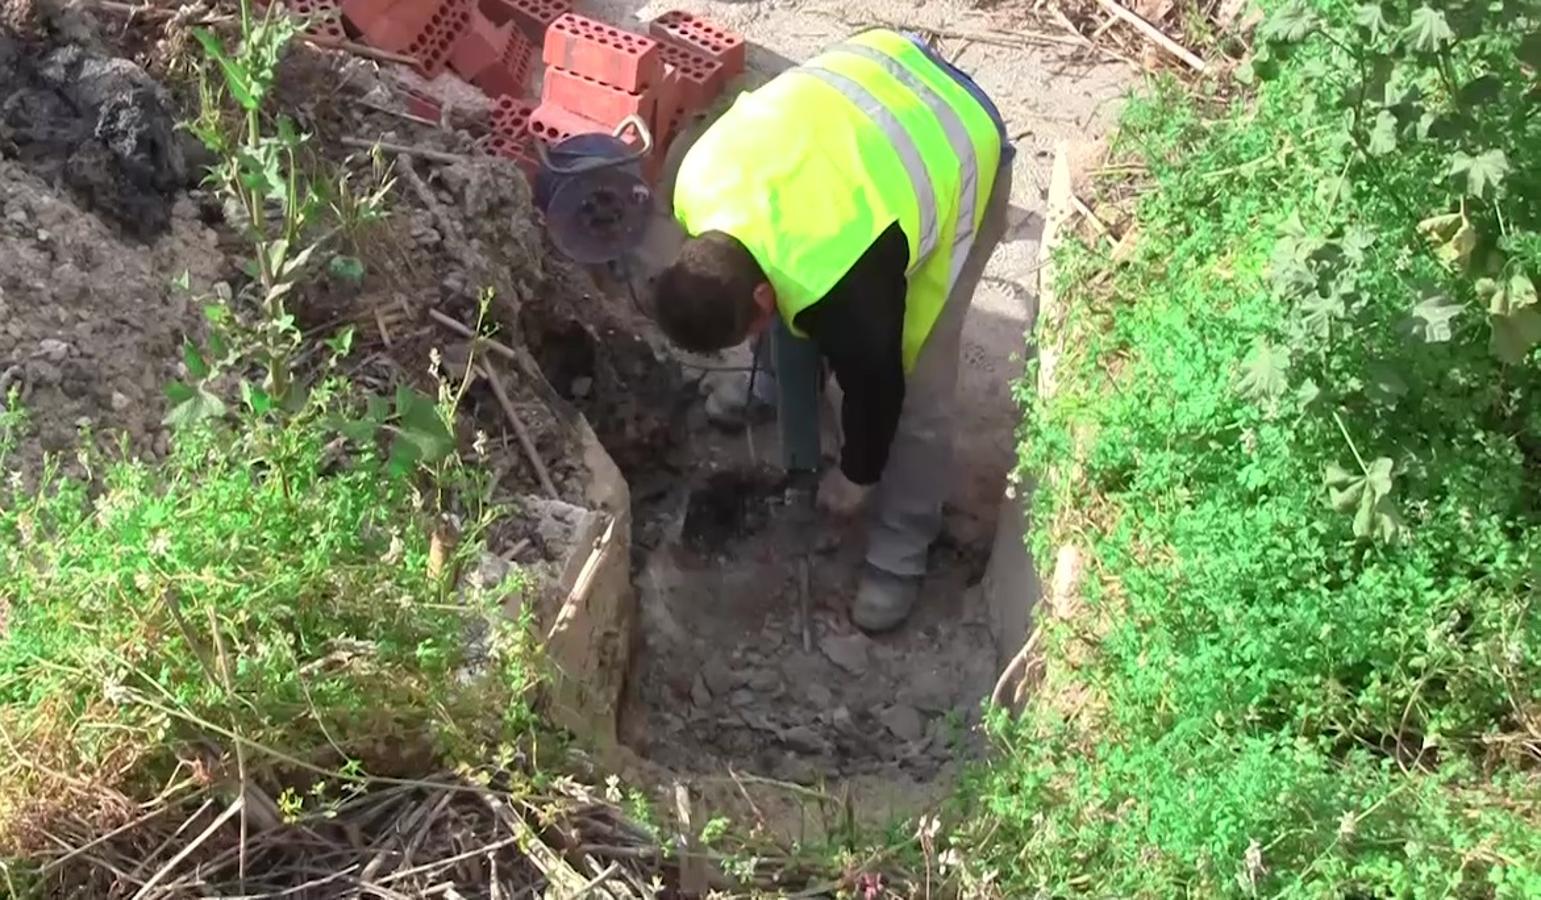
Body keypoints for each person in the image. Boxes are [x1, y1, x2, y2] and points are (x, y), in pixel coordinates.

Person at [651, 27, 1015, 633]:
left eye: (747, 329)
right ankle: (777, 388)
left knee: (920, 385)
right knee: (799, 309)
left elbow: (880, 391)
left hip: (960, 146)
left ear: (762, 297)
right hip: (872, 72)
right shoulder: (693, 186)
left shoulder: (844, 288)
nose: (746, 339)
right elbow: (773, 278)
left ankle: (899, 552)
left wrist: (857, 476)